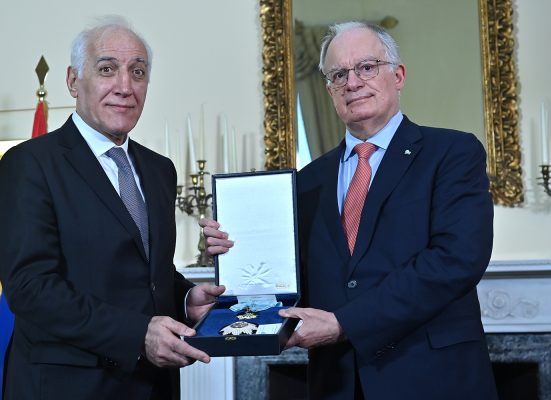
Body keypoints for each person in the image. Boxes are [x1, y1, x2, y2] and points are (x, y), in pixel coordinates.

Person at [203, 21, 497, 399]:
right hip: (337, 382)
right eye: (339, 74)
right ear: (329, 90)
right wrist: (235, 254)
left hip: (433, 378)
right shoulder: (307, 181)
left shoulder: (452, 153)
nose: (352, 82)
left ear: (398, 75)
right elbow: (291, 278)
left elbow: (456, 260)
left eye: (367, 67)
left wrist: (346, 323)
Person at [0, 16, 224, 400]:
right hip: (68, 387)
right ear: (73, 81)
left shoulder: (159, 170)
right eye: (107, 69)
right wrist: (137, 334)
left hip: (154, 386)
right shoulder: (30, 164)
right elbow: (31, 288)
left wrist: (185, 297)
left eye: (138, 72)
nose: (125, 86)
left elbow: (147, 273)